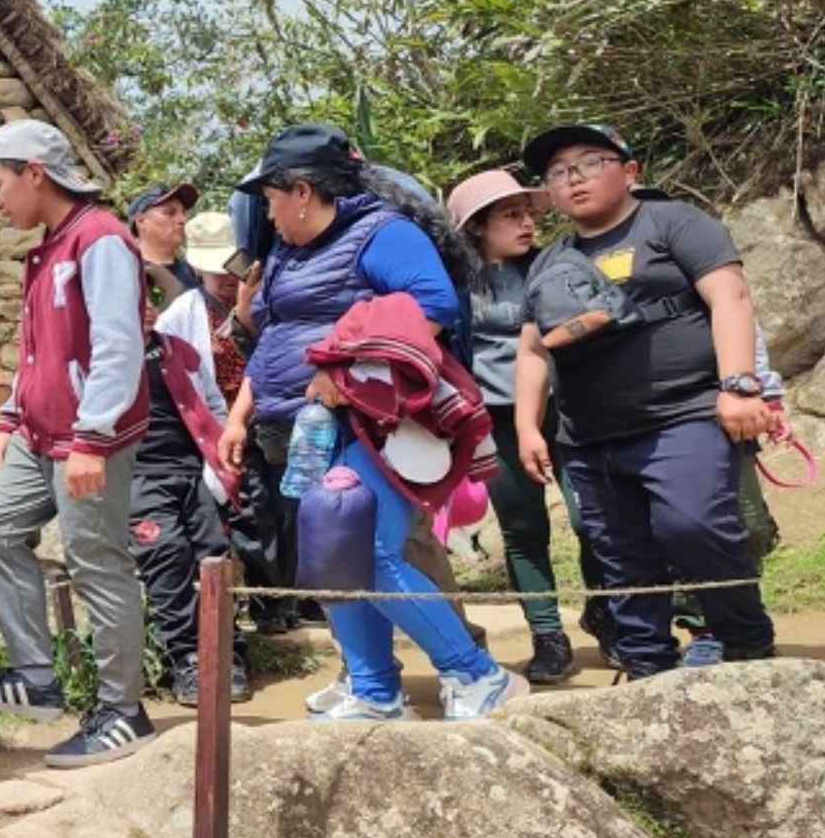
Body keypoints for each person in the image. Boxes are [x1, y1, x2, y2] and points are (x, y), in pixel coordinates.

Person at [218, 124, 525, 721]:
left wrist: (349, 370)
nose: (267, 212)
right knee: (332, 561)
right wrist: (239, 418)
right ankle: (374, 689)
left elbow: (432, 306)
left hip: (370, 423)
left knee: (369, 551)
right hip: (300, 426)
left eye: (271, 197)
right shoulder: (286, 251)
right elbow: (278, 335)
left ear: (301, 190)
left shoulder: (384, 235)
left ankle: (478, 674)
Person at [514, 124, 777, 675]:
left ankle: (744, 642)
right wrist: (527, 426)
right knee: (620, 555)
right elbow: (534, 349)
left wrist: (739, 385)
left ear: (629, 170)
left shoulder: (673, 223)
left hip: (685, 415)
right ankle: (645, 664)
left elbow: (730, 296)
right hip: (589, 435)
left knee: (693, 527)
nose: (573, 179)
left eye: (589, 163)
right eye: (558, 172)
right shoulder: (549, 261)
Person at [0, 119, 155, 766]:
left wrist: (93, 436)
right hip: (38, 435)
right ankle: (36, 677)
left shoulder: (101, 240)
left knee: (97, 559)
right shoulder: (51, 247)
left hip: (87, 438)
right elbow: (38, 353)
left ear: (36, 172)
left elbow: (119, 345)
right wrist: (9, 418)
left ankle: (124, 709)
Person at [446, 170, 593, 684]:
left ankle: (610, 614)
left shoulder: (555, 265)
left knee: (590, 518)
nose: (526, 222)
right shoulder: (453, 281)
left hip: (567, 406)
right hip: (494, 418)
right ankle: (548, 635)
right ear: (478, 227)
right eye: (510, 215)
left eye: (528, 212)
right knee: (523, 528)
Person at [130, 220, 252, 706]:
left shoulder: (174, 351)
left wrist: (222, 458)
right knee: (166, 558)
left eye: (144, 298)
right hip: (139, 477)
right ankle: (188, 658)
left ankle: (229, 651)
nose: (140, 309)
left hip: (192, 471)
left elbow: (210, 405)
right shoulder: (91, 359)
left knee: (213, 554)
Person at [126, 182, 203, 293]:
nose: (183, 220)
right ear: (141, 221)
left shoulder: (195, 271)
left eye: (183, 213)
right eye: (170, 213)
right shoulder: (134, 277)